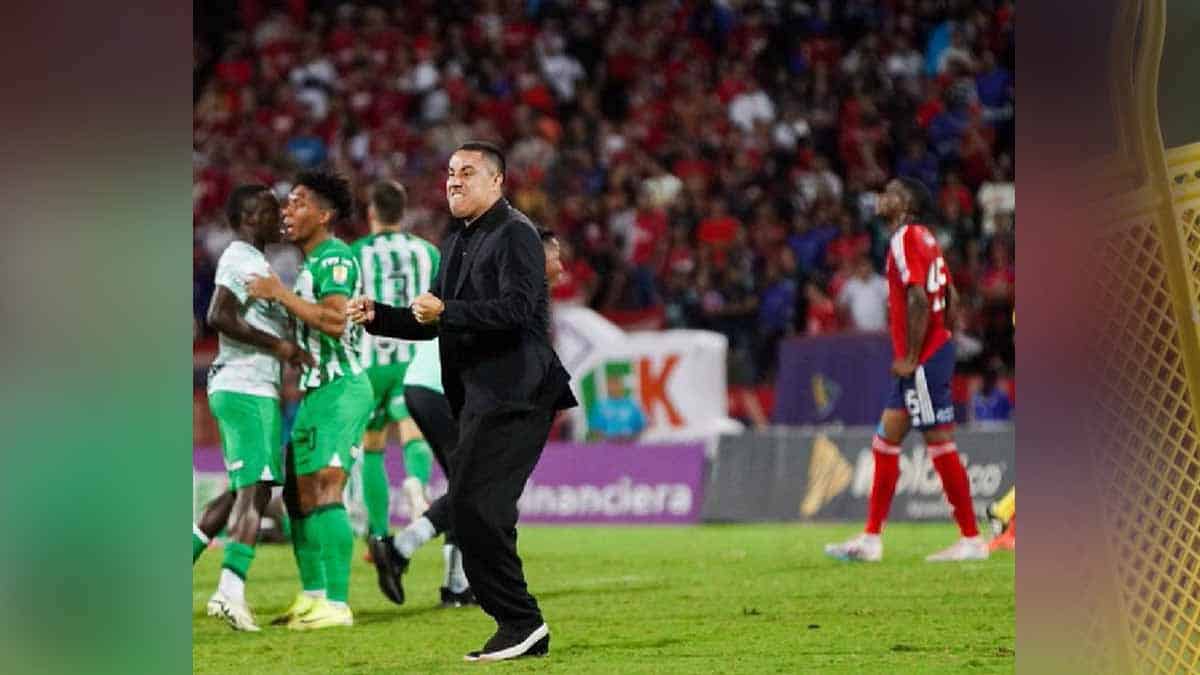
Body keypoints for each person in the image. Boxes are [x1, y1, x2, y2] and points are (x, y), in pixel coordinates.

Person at [347, 141, 576, 661]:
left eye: (467, 172)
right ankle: (520, 625)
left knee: (478, 510)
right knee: (474, 510)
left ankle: (519, 622)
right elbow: (430, 319)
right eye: (450, 172)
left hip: (520, 393)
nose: (454, 180)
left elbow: (518, 310)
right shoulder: (455, 240)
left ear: (497, 182)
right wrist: (379, 314)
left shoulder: (516, 233)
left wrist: (447, 310)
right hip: (480, 395)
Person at [370, 229, 566, 609]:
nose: (562, 263)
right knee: (474, 487)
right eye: (555, 253)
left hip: (429, 384)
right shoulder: (514, 291)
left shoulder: (517, 290)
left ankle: (452, 581)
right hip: (442, 387)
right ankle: (401, 550)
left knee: (469, 486)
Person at [825, 177, 988, 563]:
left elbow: (918, 295)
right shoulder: (927, 239)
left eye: (891, 193)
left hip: (923, 359)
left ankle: (971, 540)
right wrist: (947, 333)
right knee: (885, 441)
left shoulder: (903, 238)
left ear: (907, 203)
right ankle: (870, 539)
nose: (882, 198)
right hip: (932, 351)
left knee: (939, 441)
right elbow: (951, 295)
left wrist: (915, 355)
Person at [245, 171, 374, 629]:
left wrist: (278, 293)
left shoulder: (335, 259)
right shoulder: (308, 265)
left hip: (342, 391)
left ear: (324, 214)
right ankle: (313, 595)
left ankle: (337, 604)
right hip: (315, 391)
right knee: (298, 497)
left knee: (325, 487)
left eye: (297, 204)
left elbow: (336, 322)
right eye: (287, 204)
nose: (287, 212)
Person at [194, 185, 313, 631]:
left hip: (248, 385)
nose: (277, 214)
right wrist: (279, 345)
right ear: (246, 218)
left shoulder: (256, 261)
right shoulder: (240, 257)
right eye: (267, 209)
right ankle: (230, 590)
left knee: (245, 488)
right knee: (256, 488)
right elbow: (219, 315)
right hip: (245, 386)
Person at [350, 180, 441, 565]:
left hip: (372, 362)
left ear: (371, 212)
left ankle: (377, 535)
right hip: (416, 357)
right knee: (412, 431)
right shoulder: (428, 252)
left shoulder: (354, 254)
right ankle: (416, 484)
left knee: (371, 447)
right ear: (402, 213)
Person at [586, 373, 647, 442]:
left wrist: (631, 438)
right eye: (611, 385)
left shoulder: (632, 405)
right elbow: (594, 428)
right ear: (607, 387)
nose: (614, 387)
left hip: (629, 442)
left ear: (621, 386)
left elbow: (641, 426)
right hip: (608, 444)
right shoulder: (600, 406)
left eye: (616, 384)